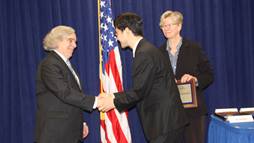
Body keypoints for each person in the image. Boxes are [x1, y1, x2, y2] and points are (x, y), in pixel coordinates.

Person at [98, 12, 188, 143]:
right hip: (167, 122)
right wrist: (113, 96)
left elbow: (139, 91)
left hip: (164, 123)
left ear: (127, 31)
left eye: (117, 33)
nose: (117, 38)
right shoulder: (146, 50)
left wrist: (113, 101)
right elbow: (144, 87)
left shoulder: (144, 54)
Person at [35, 25, 98, 143]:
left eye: (75, 41)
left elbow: (72, 97)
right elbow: (64, 92)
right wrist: (96, 101)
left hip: (69, 132)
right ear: (57, 41)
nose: (75, 45)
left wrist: (80, 123)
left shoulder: (63, 64)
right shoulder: (49, 64)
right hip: (56, 134)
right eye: (70, 41)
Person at [158, 10, 214, 143]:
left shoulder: (194, 48)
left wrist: (195, 80)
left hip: (193, 112)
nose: (166, 28)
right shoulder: (158, 53)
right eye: (163, 26)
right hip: (169, 113)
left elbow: (209, 75)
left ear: (179, 26)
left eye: (169, 25)